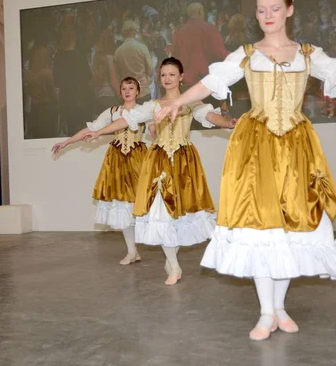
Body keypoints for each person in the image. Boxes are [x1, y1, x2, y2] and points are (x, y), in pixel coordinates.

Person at [154, 0, 336, 340]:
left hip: (296, 148)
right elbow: (211, 82)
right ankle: (265, 312)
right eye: (261, 10)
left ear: (289, 10)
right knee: (259, 226)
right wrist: (176, 102)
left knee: (291, 227)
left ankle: (280, 308)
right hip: (256, 146)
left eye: (274, 9)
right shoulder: (247, 54)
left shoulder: (308, 53)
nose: (267, 16)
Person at [84, 57, 236, 285]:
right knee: (159, 213)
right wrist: (98, 132)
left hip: (183, 164)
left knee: (178, 215)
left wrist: (229, 123)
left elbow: (210, 116)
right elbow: (126, 120)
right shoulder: (154, 105)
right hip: (157, 162)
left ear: (181, 77)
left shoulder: (192, 103)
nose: (167, 79)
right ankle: (174, 265)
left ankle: (171, 259)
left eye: (172, 74)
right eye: (163, 75)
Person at [52, 77, 148, 265]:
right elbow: (91, 130)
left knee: (144, 206)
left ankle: (159, 250)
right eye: (124, 88)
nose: (127, 91)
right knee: (123, 208)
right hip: (118, 162)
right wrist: (65, 142)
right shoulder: (112, 112)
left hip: (139, 162)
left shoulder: (144, 111)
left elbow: (156, 130)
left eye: (131, 88)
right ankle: (132, 251)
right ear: (120, 92)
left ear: (138, 91)